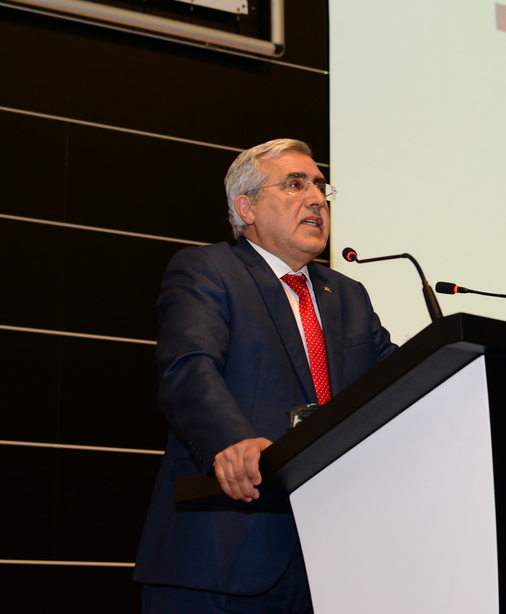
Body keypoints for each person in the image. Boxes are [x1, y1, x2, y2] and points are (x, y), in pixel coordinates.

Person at [134, 139, 397, 612]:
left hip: (328, 565)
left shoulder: (349, 295)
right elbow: (188, 367)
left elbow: (395, 381)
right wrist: (231, 441)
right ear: (246, 207)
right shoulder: (209, 269)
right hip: (223, 555)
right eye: (295, 184)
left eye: (319, 186)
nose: (316, 198)